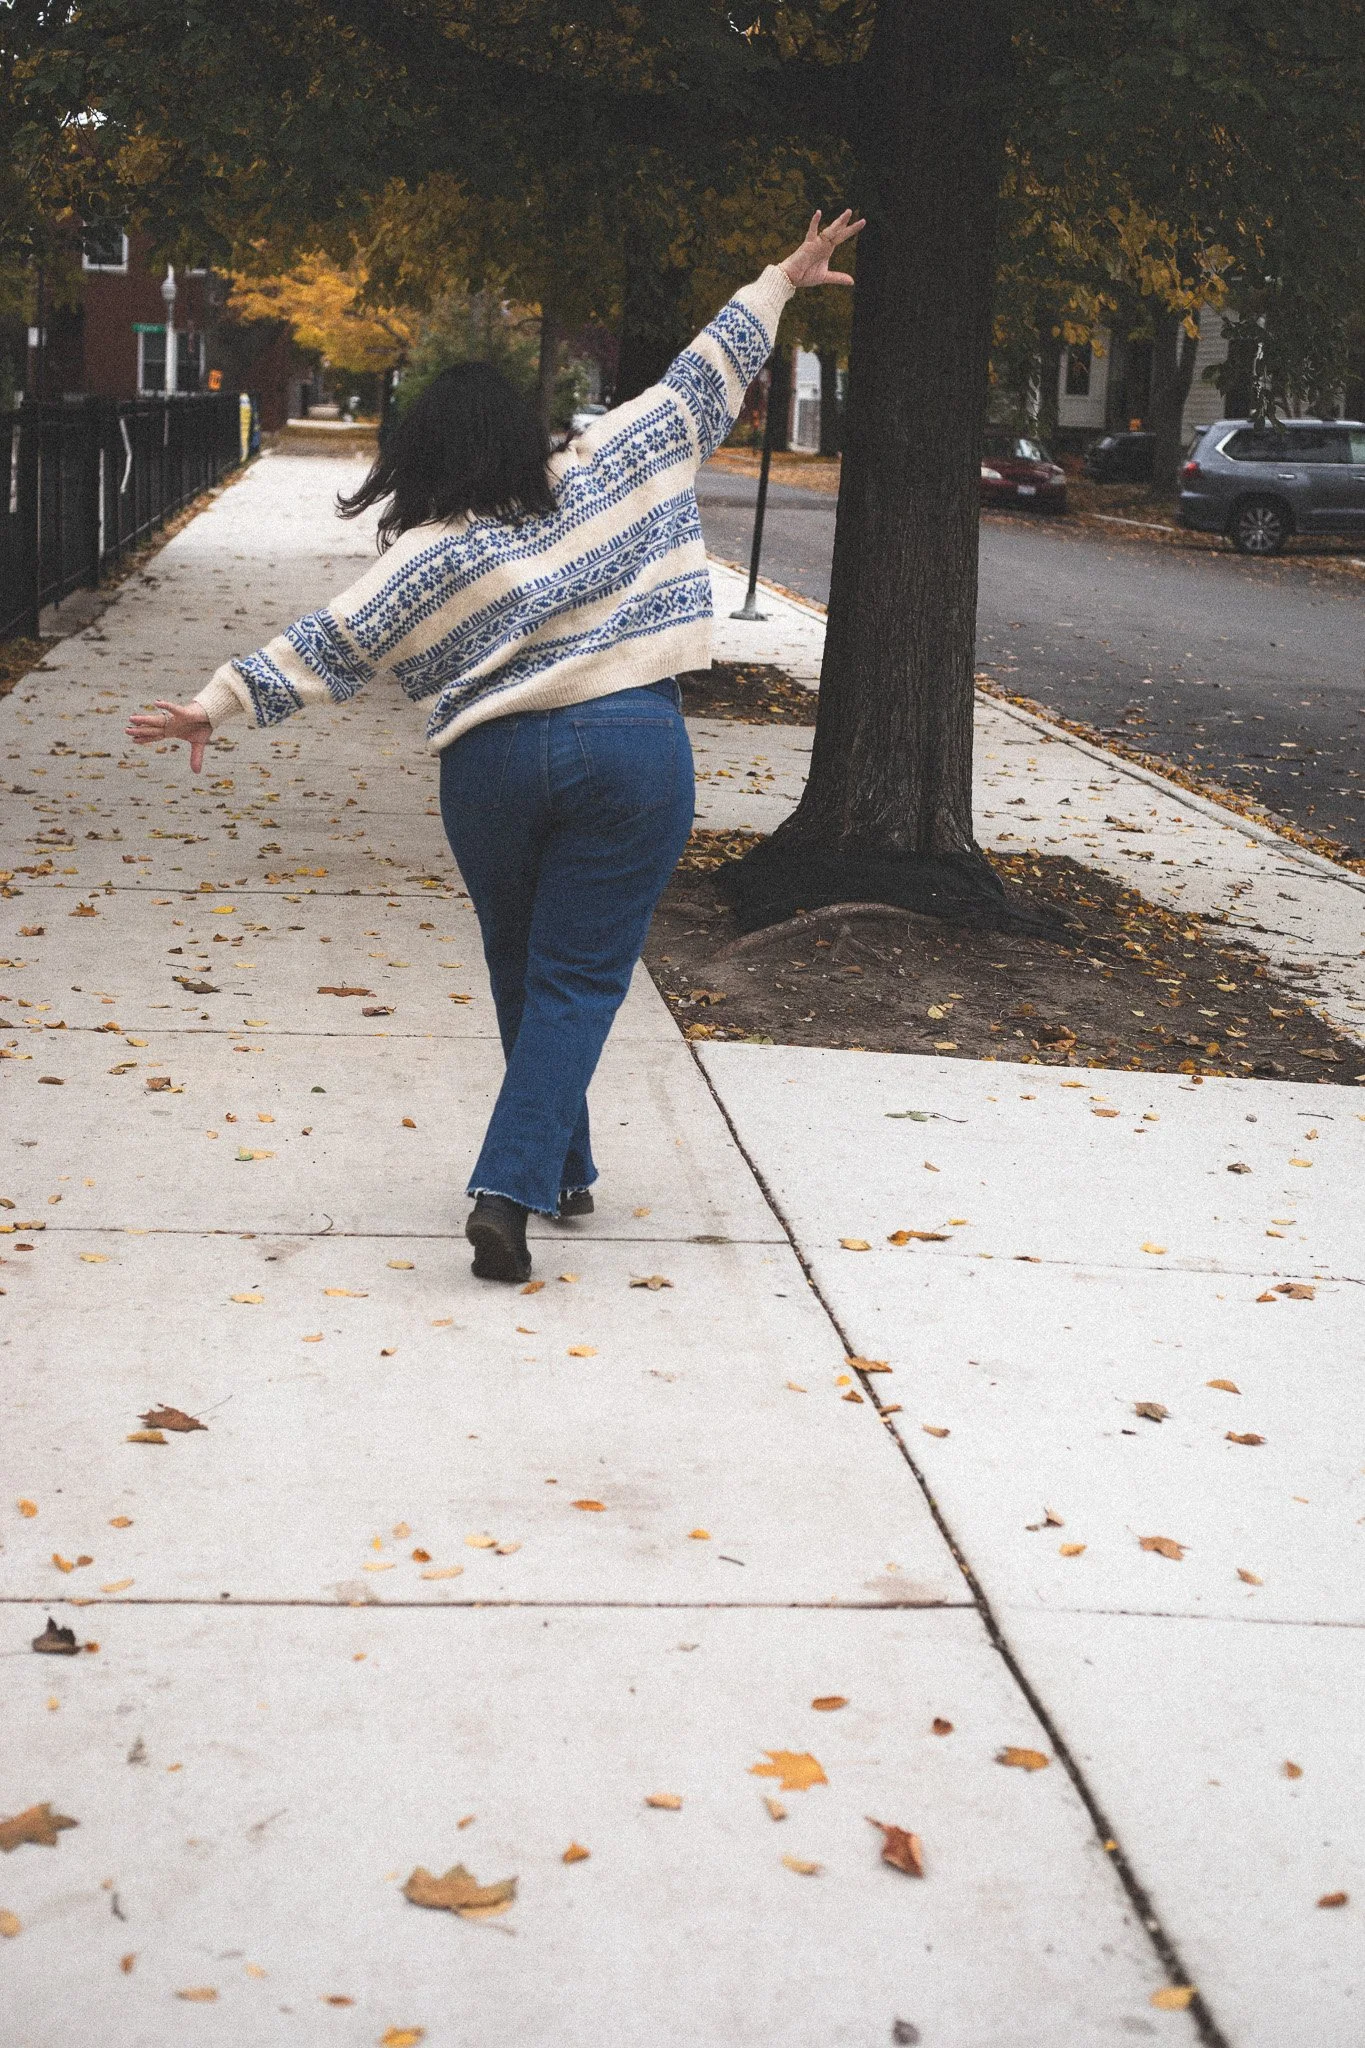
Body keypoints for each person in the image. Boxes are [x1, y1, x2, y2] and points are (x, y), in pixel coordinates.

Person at [126, 209, 863, 1283]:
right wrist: (780, 280)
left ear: (418, 455)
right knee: (575, 979)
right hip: (629, 745)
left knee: (525, 967)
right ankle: (509, 1191)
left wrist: (215, 702)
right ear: (520, 427)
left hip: (493, 773)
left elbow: (327, 642)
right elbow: (707, 373)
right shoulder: (611, 452)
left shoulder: (426, 553)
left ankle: (560, 1171)